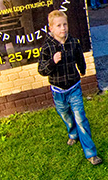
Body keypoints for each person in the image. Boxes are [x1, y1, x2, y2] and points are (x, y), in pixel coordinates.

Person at [38, 10, 102, 165]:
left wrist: (82, 69)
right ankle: (72, 133)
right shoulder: (47, 47)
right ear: (51, 28)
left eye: (65, 24)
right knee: (66, 115)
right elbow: (42, 70)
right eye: (59, 25)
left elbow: (80, 57)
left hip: (74, 87)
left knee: (80, 118)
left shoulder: (73, 43)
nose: (63, 28)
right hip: (58, 91)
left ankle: (91, 153)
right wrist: (53, 61)